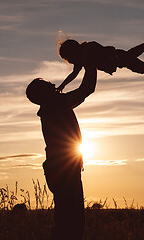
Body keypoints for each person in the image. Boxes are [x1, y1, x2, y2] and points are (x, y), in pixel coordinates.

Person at [26, 65, 97, 240]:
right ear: (44, 93)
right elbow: (87, 89)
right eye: (47, 84)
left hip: (58, 168)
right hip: (64, 169)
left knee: (66, 221)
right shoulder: (56, 104)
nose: (52, 84)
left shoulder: (51, 106)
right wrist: (91, 64)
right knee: (72, 223)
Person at [57, 39, 144, 92]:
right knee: (136, 62)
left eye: (69, 58)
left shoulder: (88, 48)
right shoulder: (81, 60)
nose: (71, 61)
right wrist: (62, 85)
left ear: (73, 52)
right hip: (117, 61)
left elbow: (98, 50)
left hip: (116, 57)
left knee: (140, 67)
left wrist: (89, 61)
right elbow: (74, 74)